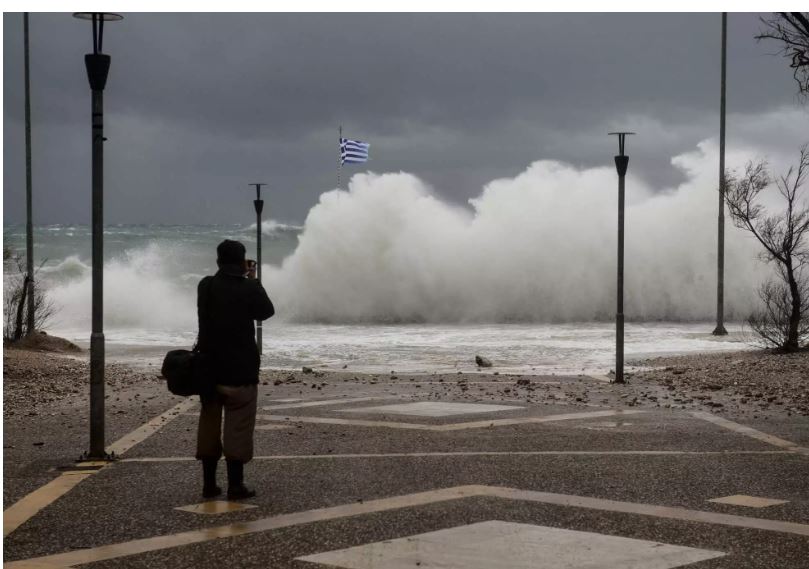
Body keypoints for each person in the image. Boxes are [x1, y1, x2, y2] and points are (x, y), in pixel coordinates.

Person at [195, 239, 274, 499]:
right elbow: (266, 312)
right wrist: (253, 278)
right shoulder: (249, 287)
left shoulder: (205, 286)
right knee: (238, 426)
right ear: (242, 263)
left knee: (209, 423)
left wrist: (245, 277)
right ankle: (235, 485)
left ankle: (208, 484)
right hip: (240, 369)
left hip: (209, 368)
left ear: (218, 261)